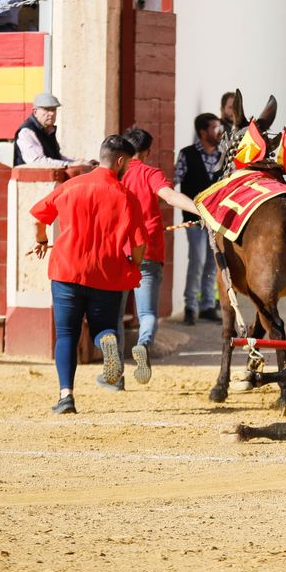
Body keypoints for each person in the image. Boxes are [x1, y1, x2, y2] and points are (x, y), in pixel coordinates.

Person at [29, 135, 146, 414]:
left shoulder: (71, 186)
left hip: (68, 269)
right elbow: (140, 244)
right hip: (106, 272)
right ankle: (106, 341)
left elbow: (38, 218)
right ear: (119, 161)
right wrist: (133, 264)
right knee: (103, 327)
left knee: (67, 334)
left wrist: (43, 240)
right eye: (127, 163)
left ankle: (66, 396)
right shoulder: (126, 196)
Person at [118, 126, 200, 383]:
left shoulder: (114, 173)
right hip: (149, 249)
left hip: (118, 250)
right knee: (147, 314)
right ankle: (143, 344)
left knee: (114, 315)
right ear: (147, 152)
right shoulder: (150, 173)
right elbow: (170, 196)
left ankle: (116, 375)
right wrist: (201, 210)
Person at [174, 112, 222, 326]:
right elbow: (175, 180)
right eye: (214, 128)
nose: (219, 132)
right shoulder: (187, 154)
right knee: (198, 261)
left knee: (213, 263)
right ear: (203, 132)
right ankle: (191, 307)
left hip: (216, 220)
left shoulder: (223, 155)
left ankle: (207, 305)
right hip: (194, 219)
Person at [14, 91, 74, 166]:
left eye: (53, 109)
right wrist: (69, 164)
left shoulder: (48, 130)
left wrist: (76, 162)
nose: (51, 113)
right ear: (35, 112)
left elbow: (55, 157)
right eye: (47, 109)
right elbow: (37, 162)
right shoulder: (26, 132)